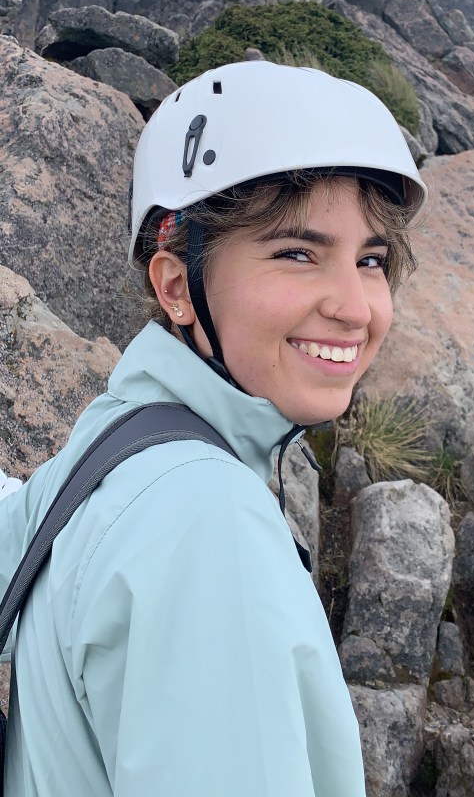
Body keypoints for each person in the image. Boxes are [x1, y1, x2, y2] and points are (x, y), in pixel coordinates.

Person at [0, 60, 426, 796]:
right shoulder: (207, 524)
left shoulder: (119, 439)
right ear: (177, 286)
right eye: (297, 254)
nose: (356, 308)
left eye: (370, 260)